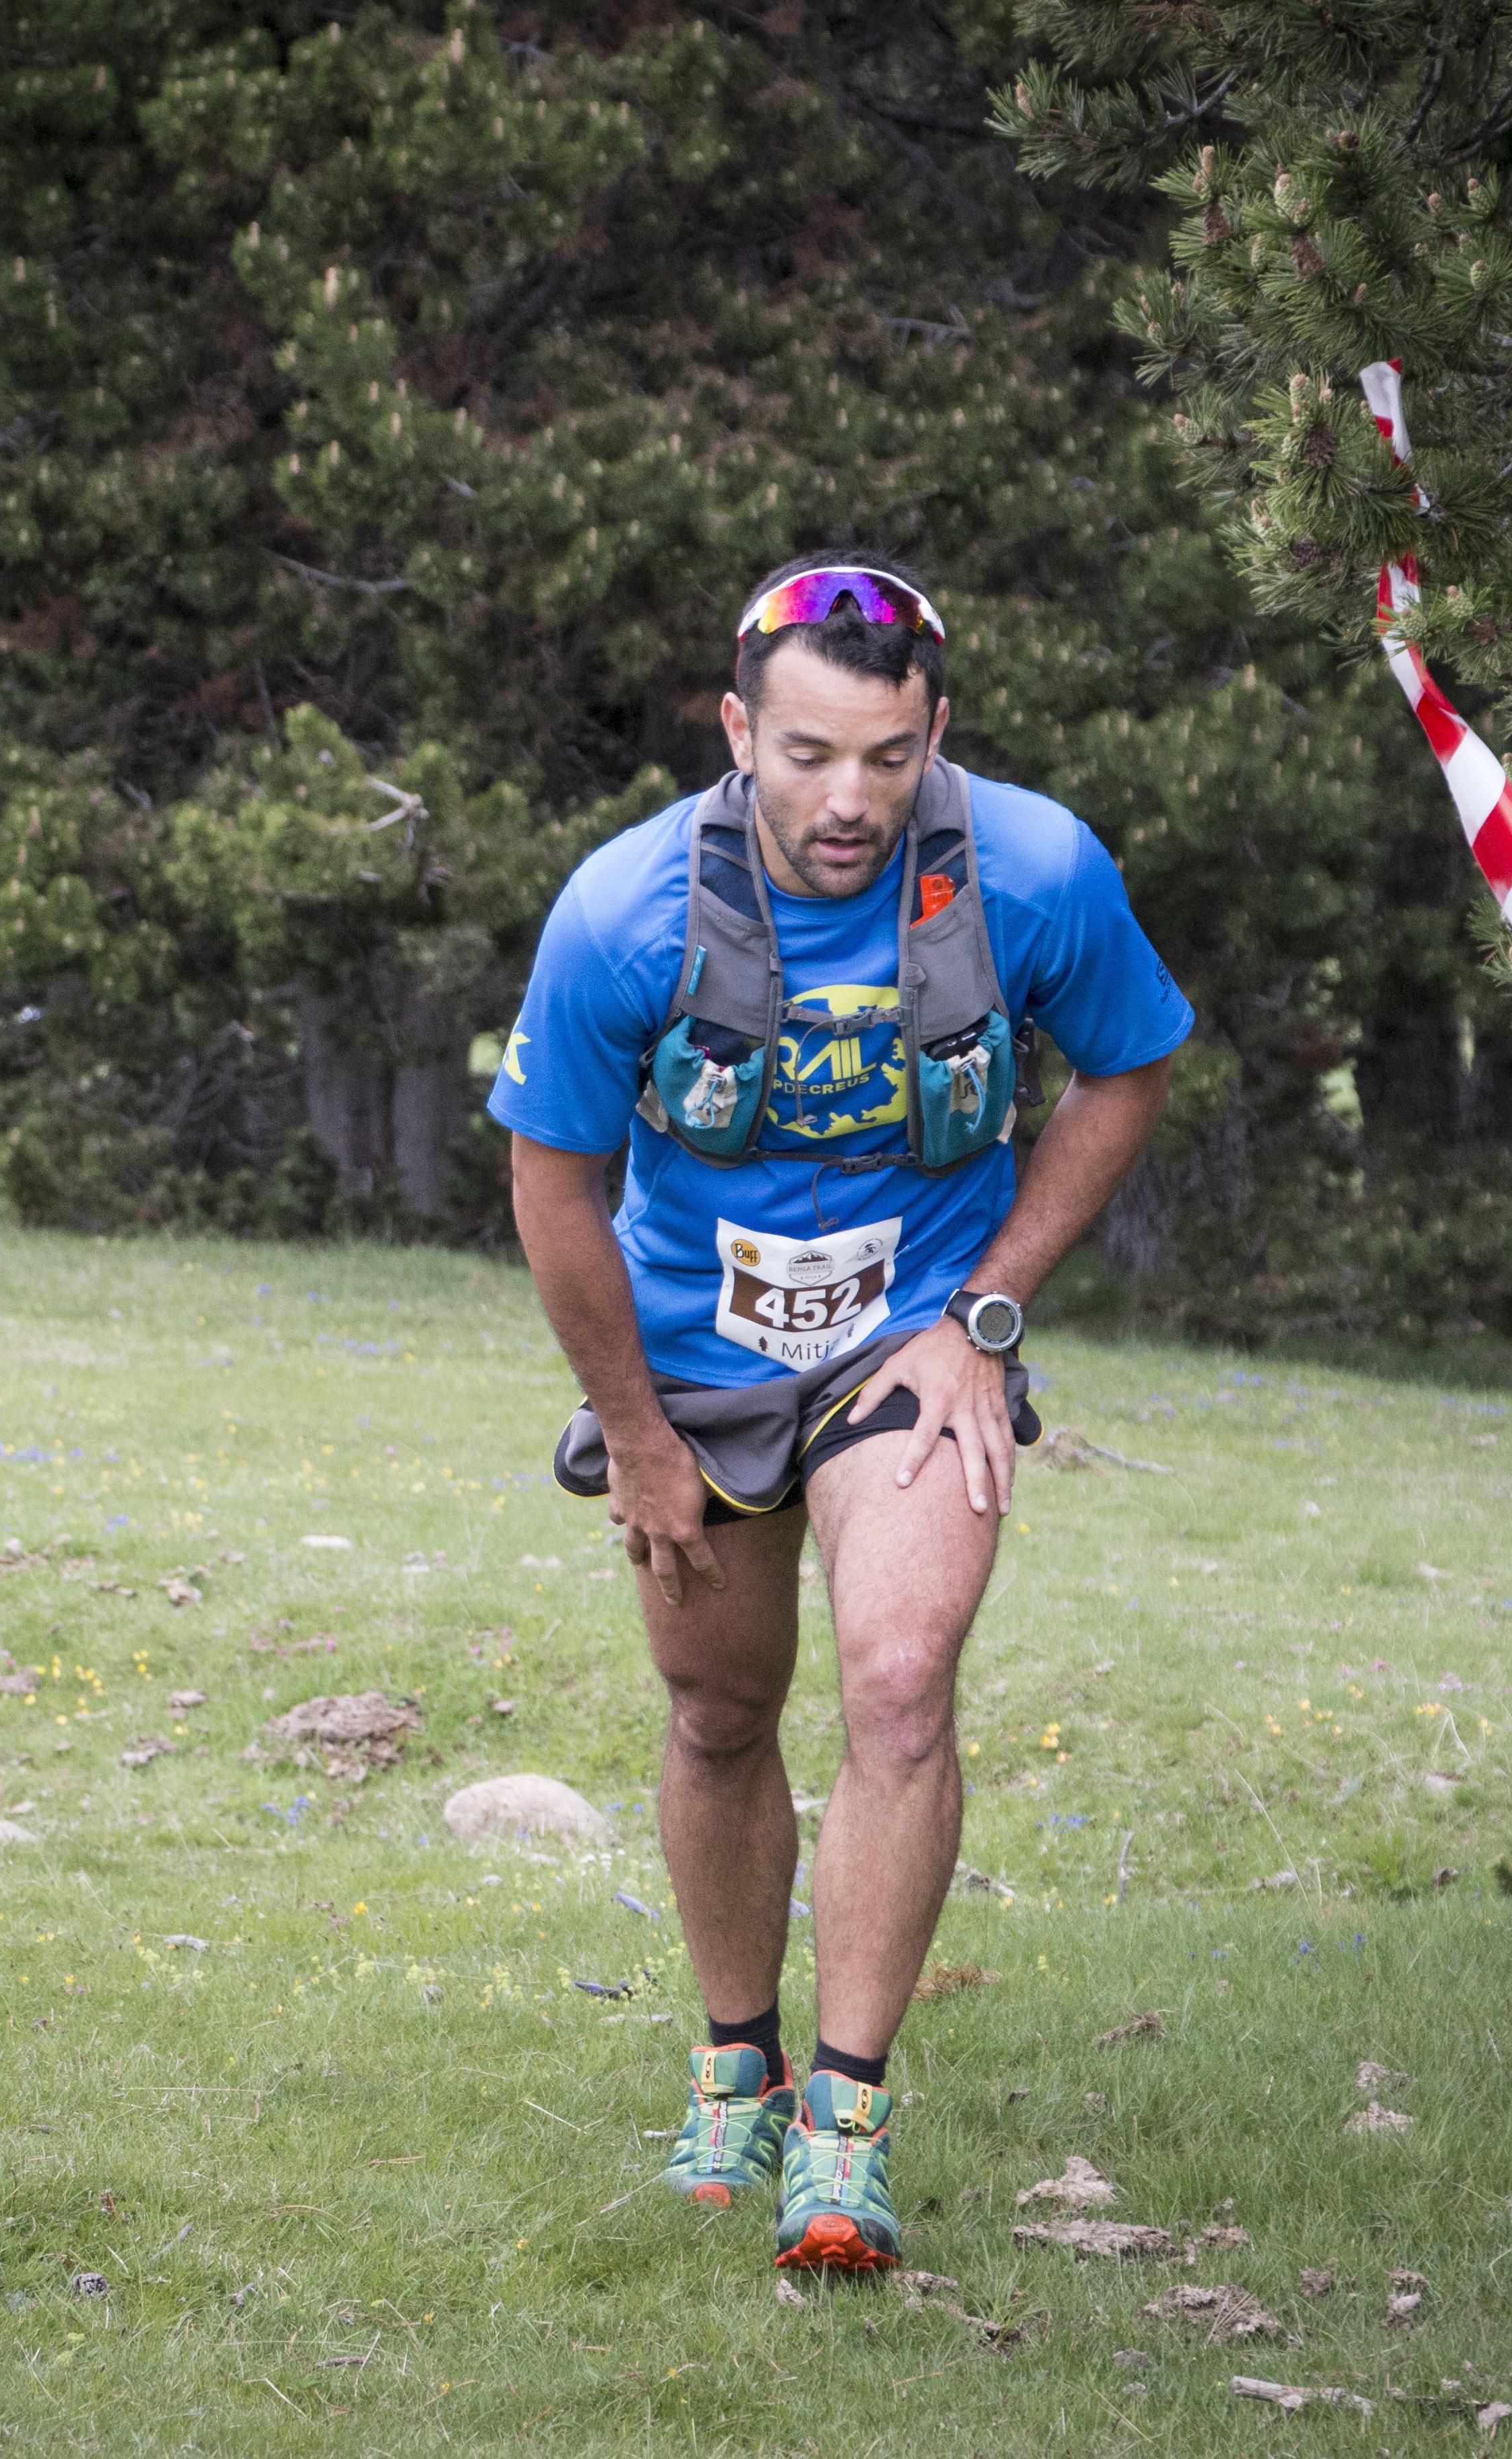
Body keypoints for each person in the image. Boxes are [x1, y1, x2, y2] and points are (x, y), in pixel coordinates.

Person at [490, 557, 1190, 2273]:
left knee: (894, 1678)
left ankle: (846, 2125)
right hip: (690, 1365)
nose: (846, 800)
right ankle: (735, 2059)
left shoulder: (1027, 869)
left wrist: (985, 1314)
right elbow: (551, 1184)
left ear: (931, 732)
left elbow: (1127, 1070)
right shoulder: (623, 906)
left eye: (885, 756)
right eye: (805, 753)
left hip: (913, 1348)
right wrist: (636, 1436)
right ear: (738, 731)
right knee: (720, 1713)